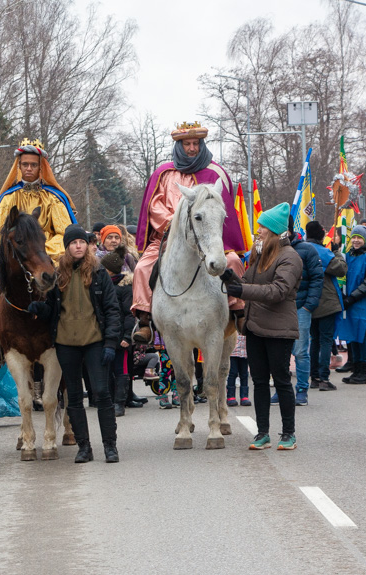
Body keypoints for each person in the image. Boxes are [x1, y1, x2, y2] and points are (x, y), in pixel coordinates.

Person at [132, 121, 246, 343]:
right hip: (168, 239)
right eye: (187, 144)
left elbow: (223, 210)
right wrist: (177, 225)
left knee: (233, 261)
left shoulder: (216, 173)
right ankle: (145, 320)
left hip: (209, 238)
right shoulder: (163, 175)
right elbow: (155, 206)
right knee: (142, 268)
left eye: (196, 143)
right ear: (179, 146)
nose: (192, 148)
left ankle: (238, 310)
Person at [0, 139, 77, 368]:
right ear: (19, 166)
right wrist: (3, 257)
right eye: (25, 164)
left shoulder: (53, 198)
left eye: (34, 164)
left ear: (41, 166)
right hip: (15, 257)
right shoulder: (7, 199)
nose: (29, 169)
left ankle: (73, 332)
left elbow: (64, 232)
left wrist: (41, 248)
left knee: (70, 282)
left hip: (47, 255)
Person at [29, 224, 121, 463]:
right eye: (73, 243)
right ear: (67, 247)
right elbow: (52, 309)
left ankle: (110, 446)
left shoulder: (99, 273)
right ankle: (84, 447)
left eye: (81, 242)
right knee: (74, 397)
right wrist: (40, 308)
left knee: (101, 394)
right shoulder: (58, 274)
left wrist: (110, 343)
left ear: (86, 245)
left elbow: (112, 310)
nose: (78, 246)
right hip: (66, 344)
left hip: (95, 342)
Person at [222, 203, 302, 451]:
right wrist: (230, 277)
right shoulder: (259, 253)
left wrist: (242, 289)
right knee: (258, 382)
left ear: (276, 230)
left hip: (279, 330)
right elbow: (247, 281)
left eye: (262, 227)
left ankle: (288, 433)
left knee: (281, 381)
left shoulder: (290, 257)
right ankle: (262, 433)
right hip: (255, 327)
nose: (258, 231)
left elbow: (278, 291)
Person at [275, 217, 323, 407]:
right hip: (279, 308)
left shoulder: (307, 249)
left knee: (301, 352)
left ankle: (302, 389)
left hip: (300, 307)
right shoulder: (272, 249)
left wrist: (308, 305)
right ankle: (282, 390)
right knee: (280, 352)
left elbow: (317, 278)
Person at [304, 221, 346, 391]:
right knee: (326, 340)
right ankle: (323, 378)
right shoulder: (323, 252)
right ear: (321, 235)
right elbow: (341, 269)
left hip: (308, 301)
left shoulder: (301, 250)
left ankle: (314, 377)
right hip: (326, 301)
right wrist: (336, 251)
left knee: (314, 341)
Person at [100, 247, 137, 417]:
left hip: (121, 339)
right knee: (106, 371)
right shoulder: (102, 285)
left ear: (109, 270)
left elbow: (129, 315)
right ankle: (108, 401)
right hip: (105, 337)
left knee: (121, 371)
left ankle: (119, 403)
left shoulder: (124, 289)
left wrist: (127, 336)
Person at [337, 226, 366, 384]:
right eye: (354, 237)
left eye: (359, 237)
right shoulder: (348, 256)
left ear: (365, 239)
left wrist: (352, 297)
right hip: (350, 301)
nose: (356, 240)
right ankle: (357, 369)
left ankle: (365, 371)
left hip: (361, 302)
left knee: (362, 337)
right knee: (353, 336)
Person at [226, 334, 250, 407]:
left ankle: (244, 396)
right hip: (232, 353)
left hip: (244, 352)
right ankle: (230, 396)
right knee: (233, 373)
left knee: (244, 374)